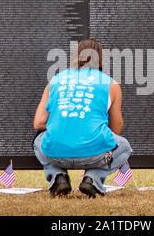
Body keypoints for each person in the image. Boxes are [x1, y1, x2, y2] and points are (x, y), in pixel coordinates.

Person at [33, 38, 132, 198]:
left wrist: (64, 123)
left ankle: (58, 177)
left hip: (56, 154)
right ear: (101, 58)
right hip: (95, 155)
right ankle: (93, 179)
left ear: (75, 57)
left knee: (38, 140)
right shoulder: (111, 84)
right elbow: (116, 128)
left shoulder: (55, 80)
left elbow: (38, 123)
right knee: (124, 146)